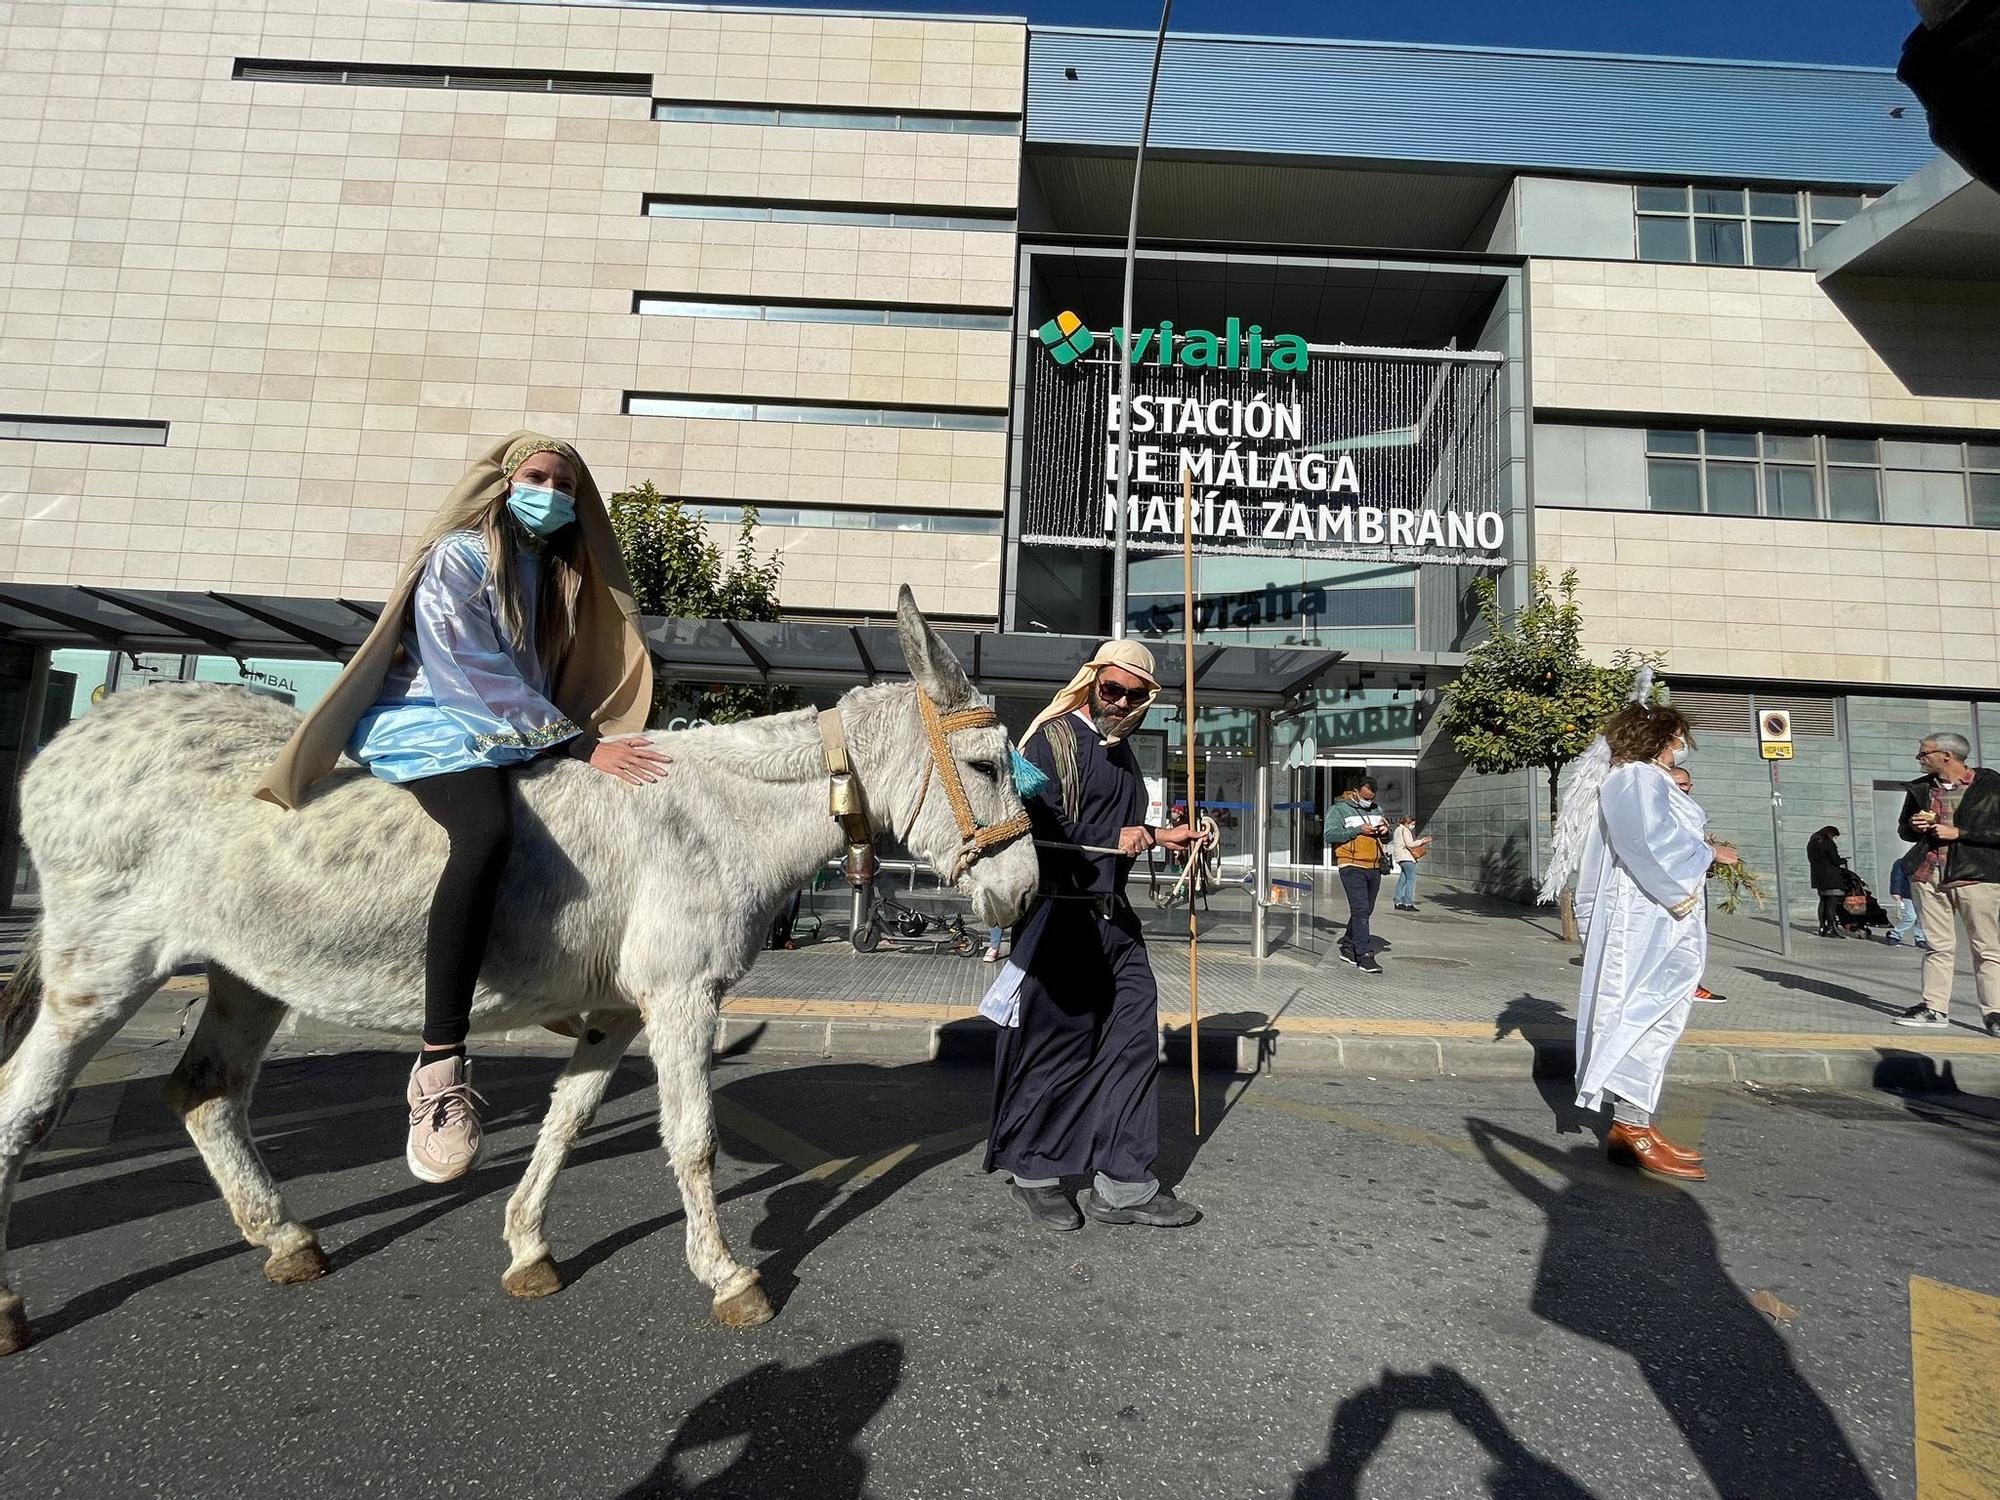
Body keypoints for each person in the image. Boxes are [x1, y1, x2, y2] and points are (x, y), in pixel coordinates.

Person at [256, 432, 663, 1183]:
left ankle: (549, 980)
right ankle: (439, 1063)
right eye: (538, 477)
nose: (553, 493)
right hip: (433, 725)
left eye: (566, 485)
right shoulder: (460, 556)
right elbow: (465, 669)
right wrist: (578, 746)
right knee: (486, 832)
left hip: (504, 730)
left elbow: (537, 672)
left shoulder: (551, 572)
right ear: (505, 484)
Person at [983, 640, 1211, 1231]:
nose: (1122, 702)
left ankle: (1125, 1184)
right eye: (1112, 689)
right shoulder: (1047, 740)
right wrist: (1125, 833)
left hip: (1114, 918)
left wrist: (1165, 837)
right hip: (1059, 916)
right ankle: (1033, 1172)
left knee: (1134, 1039)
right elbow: (1029, 828)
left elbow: (1131, 830)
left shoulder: (1125, 753)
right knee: (1057, 1043)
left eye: (1136, 695)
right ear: (1091, 683)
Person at [1544, 694, 1737, 1182]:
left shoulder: (1643, 777)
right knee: (1641, 1012)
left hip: (1655, 913)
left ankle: (1633, 1123)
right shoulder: (1634, 777)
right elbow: (1644, 842)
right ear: (1663, 737)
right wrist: (1696, 870)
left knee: (1658, 1015)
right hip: (1645, 915)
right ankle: (1631, 1127)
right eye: (1678, 736)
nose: (1682, 744)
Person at [1892, 731, 2000, 1034]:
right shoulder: (1920, 790)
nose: (1919, 758)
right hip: (1928, 875)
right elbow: (1905, 832)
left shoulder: (1992, 787)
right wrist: (1913, 827)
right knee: (1937, 947)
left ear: (1946, 756)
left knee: (1987, 948)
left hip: (1975, 877)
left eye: (1924, 753)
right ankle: (1934, 1008)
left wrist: (1961, 833)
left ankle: (1995, 1012)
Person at [1669, 764, 1725, 1003]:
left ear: (1690, 786)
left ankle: (1691, 983)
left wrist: (1709, 859)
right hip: (1675, 885)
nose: (1680, 789)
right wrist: (1710, 852)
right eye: (1675, 785)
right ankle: (1685, 985)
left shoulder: (1692, 810)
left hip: (1695, 883)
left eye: (1683, 785)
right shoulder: (1663, 810)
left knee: (1695, 932)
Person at [1330, 779, 1390, 974]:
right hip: (1351, 864)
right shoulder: (1339, 809)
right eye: (1365, 797)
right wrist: (1357, 830)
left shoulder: (1377, 809)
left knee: (1365, 910)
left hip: (1374, 865)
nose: (1368, 801)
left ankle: (1347, 947)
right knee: (1361, 909)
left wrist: (1385, 832)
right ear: (1356, 792)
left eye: (1371, 798)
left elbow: (1385, 838)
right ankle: (1364, 954)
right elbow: (1330, 835)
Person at [1807, 827, 1850, 938]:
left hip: (1818, 877)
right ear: (1830, 834)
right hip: (1831, 877)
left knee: (1823, 901)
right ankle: (1831, 928)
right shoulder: (1828, 843)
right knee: (1832, 903)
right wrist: (1843, 860)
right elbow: (1835, 860)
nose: (1834, 839)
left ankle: (1822, 927)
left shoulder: (1812, 842)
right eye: (1835, 836)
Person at [1885, 849, 1930, 950]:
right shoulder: (1902, 863)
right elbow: (1896, 878)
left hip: (1922, 894)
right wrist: (1895, 892)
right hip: (1907, 894)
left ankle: (1920, 938)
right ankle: (1895, 934)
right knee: (1910, 916)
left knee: (1922, 918)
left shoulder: (1926, 865)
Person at [1389, 816, 1429, 911]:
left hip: (1400, 857)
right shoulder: (1405, 830)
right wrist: (1422, 841)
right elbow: (1410, 844)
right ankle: (1408, 903)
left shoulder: (1398, 829)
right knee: (1411, 880)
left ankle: (1398, 902)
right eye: (1412, 824)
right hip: (1407, 857)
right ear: (1407, 823)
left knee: (1402, 879)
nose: (1413, 826)